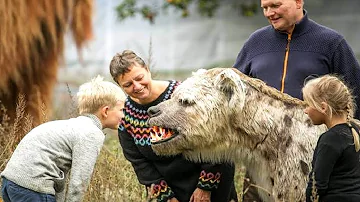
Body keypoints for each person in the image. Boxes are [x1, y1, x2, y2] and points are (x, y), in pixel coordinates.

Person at [233, 0, 360, 201]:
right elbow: (232, 96)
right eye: (264, 7)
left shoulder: (331, 43)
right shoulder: (255, 43)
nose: (269, 13)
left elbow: (355, 99)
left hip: (316, 159)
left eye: (275, 5)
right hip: (259, 162)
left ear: (298, 2)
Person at [109, 50, 238, 202]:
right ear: (120, 86)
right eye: (128, 84)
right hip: (172, 194)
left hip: (213, 188)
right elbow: (141, 164)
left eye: (139, 78)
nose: (137, 86)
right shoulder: (127, 119)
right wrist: (166, 197)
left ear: (147, 70)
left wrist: (205, 187)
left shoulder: (184, 96)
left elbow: (217, 141)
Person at [1, 75, 126, 202]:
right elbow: (79, 184)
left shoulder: (71, 126)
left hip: (11, 183)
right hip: (33, 188)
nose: (124, 114)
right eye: (122, 110)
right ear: (105, 111)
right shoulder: (91, 133)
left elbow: (60, 177)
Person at [302, 75, 360, 201]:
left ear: (323, 107)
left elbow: (317, 187)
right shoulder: (356, 131)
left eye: (307, 104)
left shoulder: (329, 139)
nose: (305, 111)